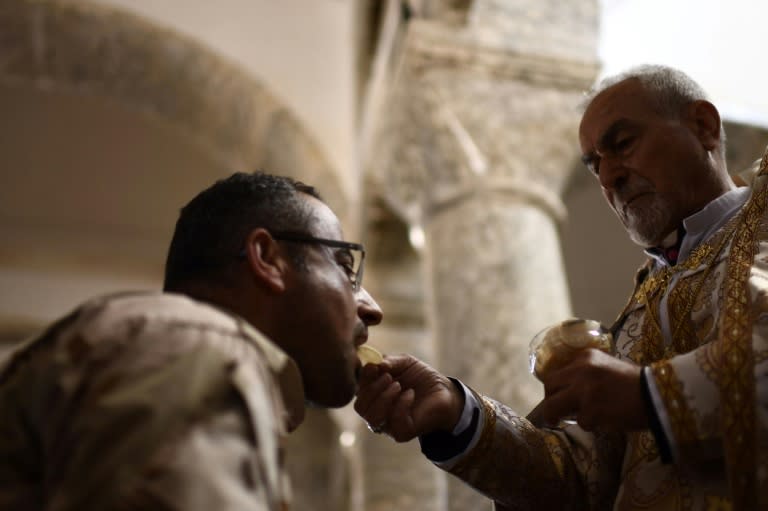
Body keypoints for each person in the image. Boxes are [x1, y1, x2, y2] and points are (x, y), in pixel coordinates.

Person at [355, 64, 768, 510]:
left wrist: (648, 394)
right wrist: (458, 414)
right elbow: (581, 481)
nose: (610, 177)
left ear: (703, 127)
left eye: (623, 144)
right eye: (594, 165)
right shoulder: (643, 309)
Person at [0, 171, 383, 510]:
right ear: (267, 258)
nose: (372, 308)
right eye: (344, 267)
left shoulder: (175, 347)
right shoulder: (200, 348)